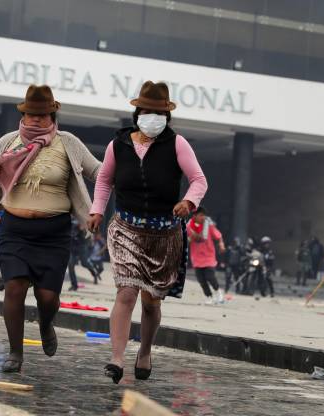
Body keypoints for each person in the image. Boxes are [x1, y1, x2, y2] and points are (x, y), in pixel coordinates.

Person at [0, 85, 100, 373]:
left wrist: (124, 168)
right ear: (23, 114)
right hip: (14, 229)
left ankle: (46, 324)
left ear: (52, 116)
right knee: (15, 288)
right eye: (30, 114)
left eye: (41, 116)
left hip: (53, 232)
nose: (35, 120)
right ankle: (15, 353)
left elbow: (98, 171)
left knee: (47, 297)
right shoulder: (9, 141)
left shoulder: (68, 142)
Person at [88, 81, 207, 384]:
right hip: (126, 228)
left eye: (159, 112)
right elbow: (104, 181)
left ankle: (145, 350)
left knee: (151, 300)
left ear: (167, 116)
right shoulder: (119, 145)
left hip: (164, 235)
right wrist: (97, 210)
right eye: (147, 111)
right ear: (137, 112)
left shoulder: (178, 144)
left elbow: (198, 180)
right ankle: (116, 359)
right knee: (126, 291)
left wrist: (188, 201)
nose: (152, 116)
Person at [188, 207, 225, 305]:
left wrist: (221, 244)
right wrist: (190, 238)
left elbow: (218, 235)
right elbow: (185, 238)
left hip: (208, 256)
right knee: (201, 280)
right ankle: (209, 297)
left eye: (204, 215)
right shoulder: (189, 226)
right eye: (201, 215)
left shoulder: (209, 225)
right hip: (196, 257)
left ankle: (218, 293)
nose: (203, 217)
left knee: (210, 277)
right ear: (194, 216)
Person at [68, 217, 100, 290]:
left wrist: (83, 230)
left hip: (81, 247)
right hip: (72, 247)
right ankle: (74, 285)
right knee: (70, 265)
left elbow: (89, 236)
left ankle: (94, 273)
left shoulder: (85, 223)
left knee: (84, 263)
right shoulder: (72, 222)